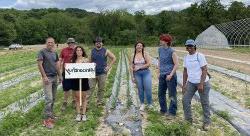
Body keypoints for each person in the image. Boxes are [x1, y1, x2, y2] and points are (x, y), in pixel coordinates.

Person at [182, 39, 211, 131]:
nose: (189, 48)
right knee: (185, 100)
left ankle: (207, 122)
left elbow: (204, 70)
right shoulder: (186, 57)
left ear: (194, 46)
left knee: (204, 102)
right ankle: (188, 120)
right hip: (191, 82)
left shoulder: (199, 56)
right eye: (187, 46)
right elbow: (185, 71)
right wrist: (184, 85)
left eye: (191, 46)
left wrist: (201, 84)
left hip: (203, 83)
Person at [37, 37, 61, 129]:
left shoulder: (54, 53)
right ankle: (46, 120)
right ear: (46, 43)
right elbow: (39, 64)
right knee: (49, 99)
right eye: (49, 42)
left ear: (54, 43)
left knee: (53, 98)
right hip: (48, 78)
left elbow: (57, 65)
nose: (50, 44)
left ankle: (50, 115)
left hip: (55, 77)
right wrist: (44, 77)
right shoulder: (42, 52)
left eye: (52, 42)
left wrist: (60, 76)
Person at [89, 36, 116, 105]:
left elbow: (114, 58)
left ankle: (99, 101)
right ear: (95, 43)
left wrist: (109, 67)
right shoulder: (92, 51)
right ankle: (87, 101)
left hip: (102, 73)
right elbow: (89, 61)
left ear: (102, 43)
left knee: (101, 88)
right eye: (96, 42)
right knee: (91, 87)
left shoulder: (106, 50)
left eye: (99, 42)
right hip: (93, 73)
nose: (98, 43)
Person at [158, 34, 179, 118]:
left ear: (166, 41)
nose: (160, 41)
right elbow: (160, 60)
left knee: (172, 94)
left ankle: (172, 112)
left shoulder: (172, 51)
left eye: (161, 40)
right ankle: (163, 110)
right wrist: (158, 72)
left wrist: (171, 74)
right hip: (162, 75)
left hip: (170, 76)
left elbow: (176, 64)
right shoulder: (160, 49)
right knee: (161, 94)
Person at [130, 41, 152, 111]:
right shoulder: (132, 55)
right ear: (135, 47)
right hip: (137, 74)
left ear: (142, 47)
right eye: (138, 45)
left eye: (140, 45)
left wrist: (140, 67)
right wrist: (132, 76)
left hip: (146, 72)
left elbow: (149, 64)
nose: (139, 47)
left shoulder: (145, 54)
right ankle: (142, 104)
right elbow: (131, 66)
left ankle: (149, 103)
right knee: (140, 89)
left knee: (148, 88)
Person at [71, 46, 90, 122]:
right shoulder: (73, 61)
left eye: (80, 50)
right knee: (77, 97)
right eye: (77, 50)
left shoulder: (86, 60)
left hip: (84, 80)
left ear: (82, 51)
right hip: (75, 80)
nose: (79, 51)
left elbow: (89, 69)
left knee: (84, 97)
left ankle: (84, 114)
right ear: (75, 52)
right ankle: (78, 114)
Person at [59, 38, 77, 111]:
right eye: (69, 43)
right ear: (68, 43)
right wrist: (59, 70)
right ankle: (65, 102)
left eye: (72, 43)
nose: (71, 44)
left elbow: (82, 58)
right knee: (66, 88)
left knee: (74, 88)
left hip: (75, 72)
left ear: (74, 43)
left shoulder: (77, 50)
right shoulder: (64, 50)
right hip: (66, 72)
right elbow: (60, 60)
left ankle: (74, 101)